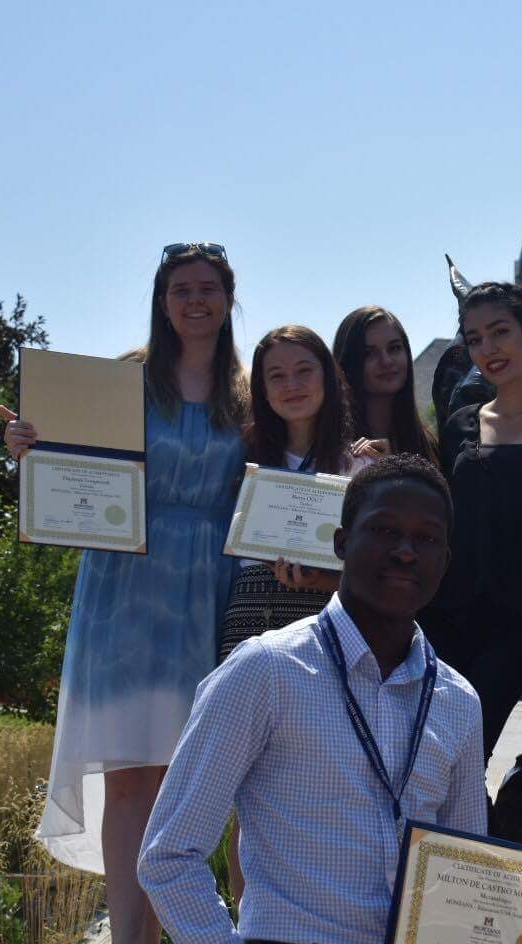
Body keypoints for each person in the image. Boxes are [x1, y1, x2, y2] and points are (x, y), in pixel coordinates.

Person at [138, 455, 506, 944]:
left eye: (427, 539)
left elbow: (464, 872)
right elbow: (168, 856)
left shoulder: (457, 702)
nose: (406, 551)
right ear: (340, 543)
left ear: (447, 560)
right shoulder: (266, 671)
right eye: (385, 530)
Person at [0, 241, 249, 944]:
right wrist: (26, 452)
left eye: (208, 287)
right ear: (162, 298)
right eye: (182, 288)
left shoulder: (248, 391)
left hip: (210, 586)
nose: (195, 300)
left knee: (188, 779)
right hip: (126, 583)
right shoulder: (126, 377)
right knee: (130, 776)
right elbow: (71, 468)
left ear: (228, 297)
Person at [216, 323, 372, 901]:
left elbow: (370, 567)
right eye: (275, 375)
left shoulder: (357, 465)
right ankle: (251, 939)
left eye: (304, 370)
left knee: (323, 781)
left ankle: (315, 930)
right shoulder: (237, 454)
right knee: (247, 792)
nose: (291, 385)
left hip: (325, 626)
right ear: (259, 387)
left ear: (329, 378)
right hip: (250, 619)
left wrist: (326, 577)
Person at [423, 282, 522, 764]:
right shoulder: (460, 424)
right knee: (428, 749)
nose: (488, 349)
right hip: (448, 615)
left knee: (464, 746)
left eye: (500, 332)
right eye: (474, 339)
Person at [334, 305, 439, 464]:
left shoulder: (428, 444)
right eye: (369, 353)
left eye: (394, 348)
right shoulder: (334, 447)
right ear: (348, 363)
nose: (386, 361)